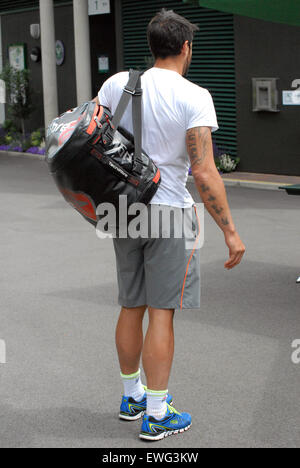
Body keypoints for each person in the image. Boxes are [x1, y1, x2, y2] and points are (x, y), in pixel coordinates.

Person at [95, 8, 246, 441]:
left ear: (152, 46)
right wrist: (230, 230)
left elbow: (94, 134)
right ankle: (158, 414)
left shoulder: (116, 84)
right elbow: (203, 172)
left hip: (121, 209)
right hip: (171, 213)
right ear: (185, 47)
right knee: (162, 312)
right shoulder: (194, 95)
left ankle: (132, 397)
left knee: (131, 303)